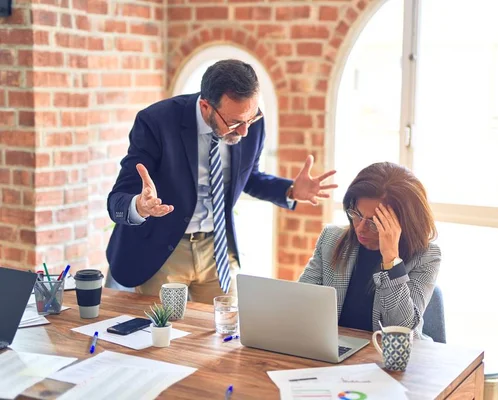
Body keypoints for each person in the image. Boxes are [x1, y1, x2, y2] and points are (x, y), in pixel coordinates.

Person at [107, 59, 337, 304]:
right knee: (164, 336)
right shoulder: (156, 121)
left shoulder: (249, 122)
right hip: (163, 252)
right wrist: (139, 206)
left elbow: (248, 178)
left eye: (251, 119)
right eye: (235, 123)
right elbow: (118, 198)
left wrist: (290, 190)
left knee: (225, 335)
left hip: (216, 250)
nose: (245, 131)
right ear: (206, 107)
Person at [298, 162, 440, 339]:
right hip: (335, 350)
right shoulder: (331, 239)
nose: (360, 228)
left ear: (404, 223)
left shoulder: (426, 257)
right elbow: (301, 302)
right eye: (356, 214)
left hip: (392, 358)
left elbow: (402, 328)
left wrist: (391, 259)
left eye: (374, 222)